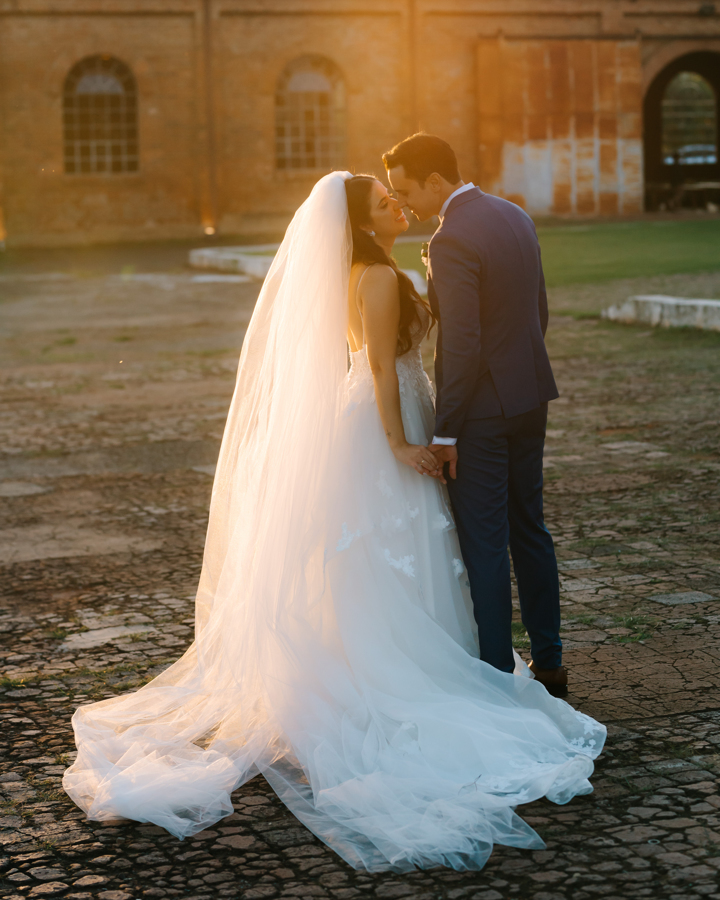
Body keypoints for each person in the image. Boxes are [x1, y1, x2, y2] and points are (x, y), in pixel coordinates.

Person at [63, 170, 605, 873]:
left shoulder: (367, 270)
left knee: (392, 550)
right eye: (384, 201)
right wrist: (400, 444)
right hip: (386, 422)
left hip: (394, 409)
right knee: (396, 543)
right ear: (361, 221)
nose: (396, 204)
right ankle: (402, 671)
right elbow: (379, 367)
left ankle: (403, 654)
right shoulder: (374, 278)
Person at [384, 134, 567, 696]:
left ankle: (495, 676)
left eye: (405, 190)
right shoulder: (515, 215)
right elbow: (538, 311)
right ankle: (550, 662)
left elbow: (460, 345)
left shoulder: (451, 238)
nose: (403, 202)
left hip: (482, 415)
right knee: (530, 529)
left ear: (435, 181)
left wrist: (446, 431)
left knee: (485, 542)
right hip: (530, 396)